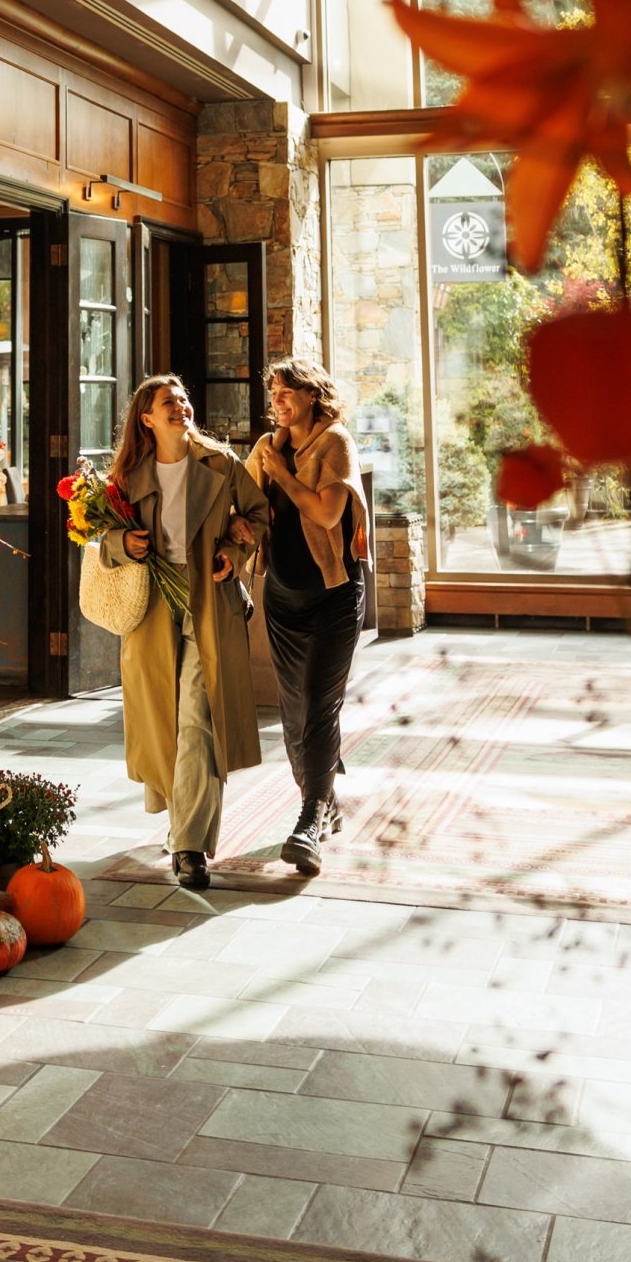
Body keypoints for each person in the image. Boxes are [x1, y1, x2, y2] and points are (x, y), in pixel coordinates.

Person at [101, 375, 269, 892]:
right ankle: (181, 821)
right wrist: (120, 543)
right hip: (151, 610)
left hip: (208, 606)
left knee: (198, 717)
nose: (182, 406)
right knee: (163, 721)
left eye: (184, 399)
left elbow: (260, 517)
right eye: (168, 402)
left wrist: (234, 553)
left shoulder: (221, 465)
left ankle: (190, 846)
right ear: (146, 418)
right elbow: (98, 539)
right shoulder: (128, 478)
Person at [247, 356, 370, 878]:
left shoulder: (333, 442)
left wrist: (283, 475)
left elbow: (325, 513)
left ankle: (309, 818)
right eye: (273, 392)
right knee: (295, 710)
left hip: (333, 597)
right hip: (283, 597)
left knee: (320, 703)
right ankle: (326, 802)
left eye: (286, 392)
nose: (277, 400)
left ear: (312, 395)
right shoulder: (267, 448)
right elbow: (248, 509)